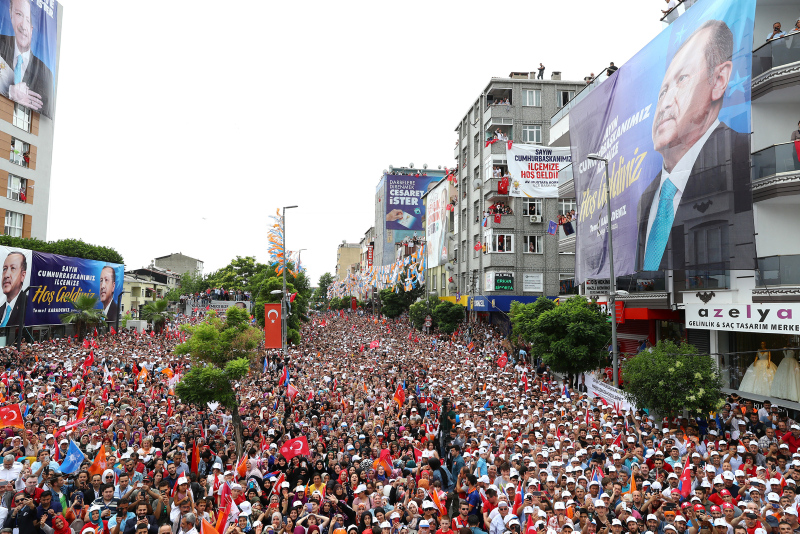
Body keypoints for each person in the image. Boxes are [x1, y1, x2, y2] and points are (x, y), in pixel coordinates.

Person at [636, 20, 753, 272]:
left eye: (682, 79)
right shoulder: (646, 199)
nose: (666, 102)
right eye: (662, 91)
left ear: (719, 80)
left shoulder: (745, 155)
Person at [0, 0, 55, 116]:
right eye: (19, 14)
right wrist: (9, 92)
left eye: (28, 20)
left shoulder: (46, 76)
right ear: (10, 14)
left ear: (33, 27)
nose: (24, 26)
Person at [0, 251, 26, 328]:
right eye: (5, 269)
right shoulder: (1, 309)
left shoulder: (28, 306)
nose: (6, 275)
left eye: (13, 268)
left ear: (22, 276)